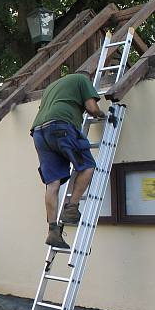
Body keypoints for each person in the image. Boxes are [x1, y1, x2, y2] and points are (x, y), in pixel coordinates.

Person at [30, 71, 106, 249]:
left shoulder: (51, 88)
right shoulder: (82, 79)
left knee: (53, 183)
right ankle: (71, 208)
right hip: (61, 126)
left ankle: (52, 231)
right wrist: (102, 115)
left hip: (39, 133)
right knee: (87, 166)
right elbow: (92, 108)